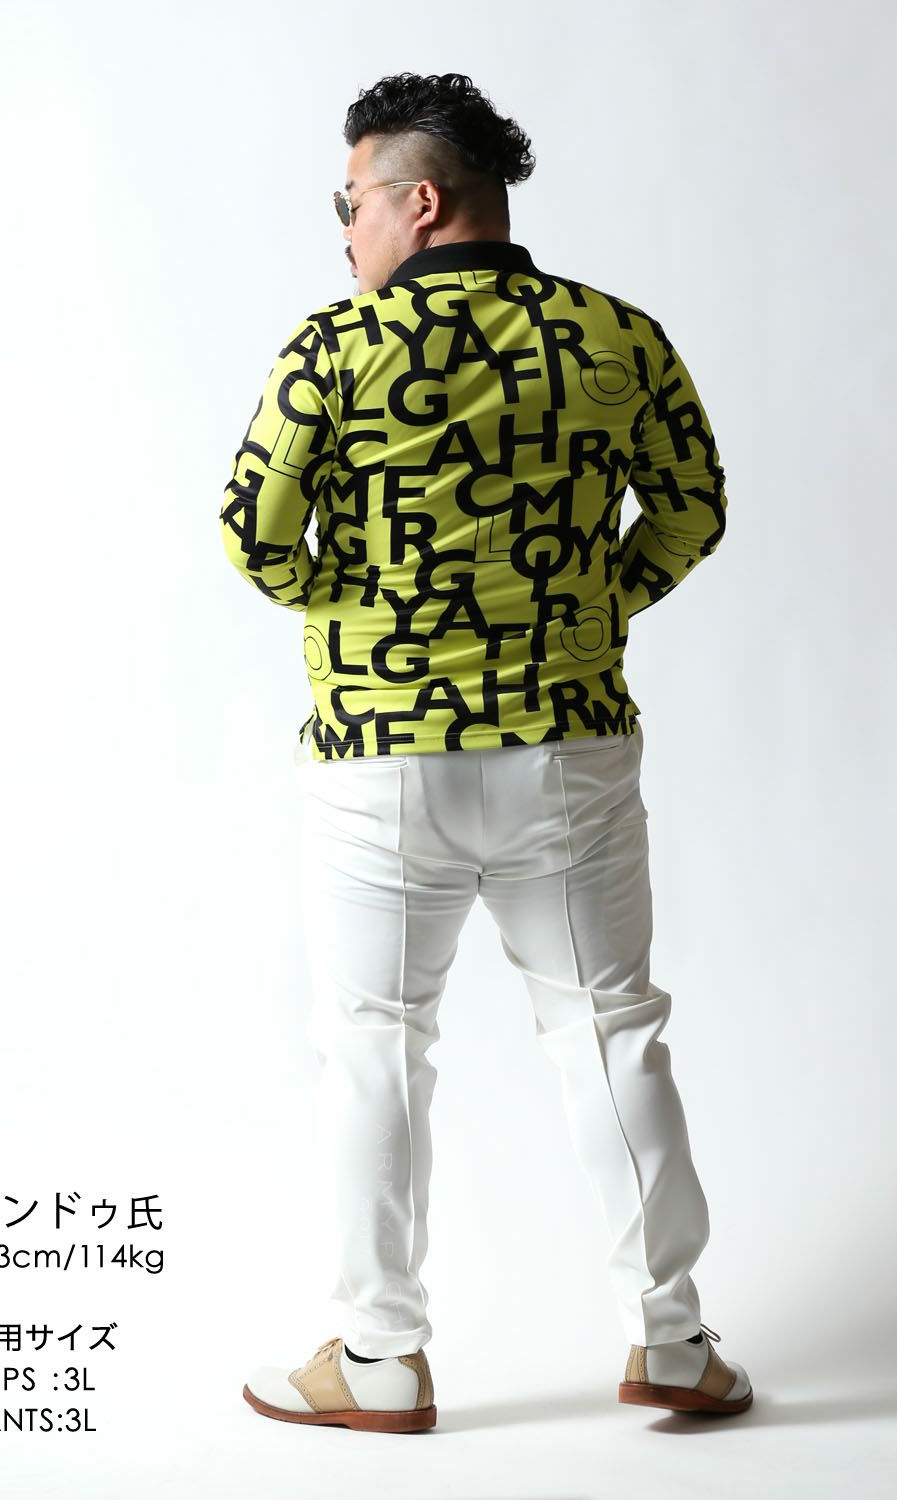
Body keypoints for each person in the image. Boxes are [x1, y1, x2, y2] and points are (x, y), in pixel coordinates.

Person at [221, 70, 751, 1432]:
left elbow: (252, 536)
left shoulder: (334, 348)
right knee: (609, 1029)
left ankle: (380, 1358)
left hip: (377, 758)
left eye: (350, 201)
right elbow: (693, 508)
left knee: (375, 1048)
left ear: (419, 200)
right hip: (568, 749)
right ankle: (673, 1342)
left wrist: (357, 615)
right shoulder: (615, 336)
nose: (344, 229)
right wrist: (590, 607)